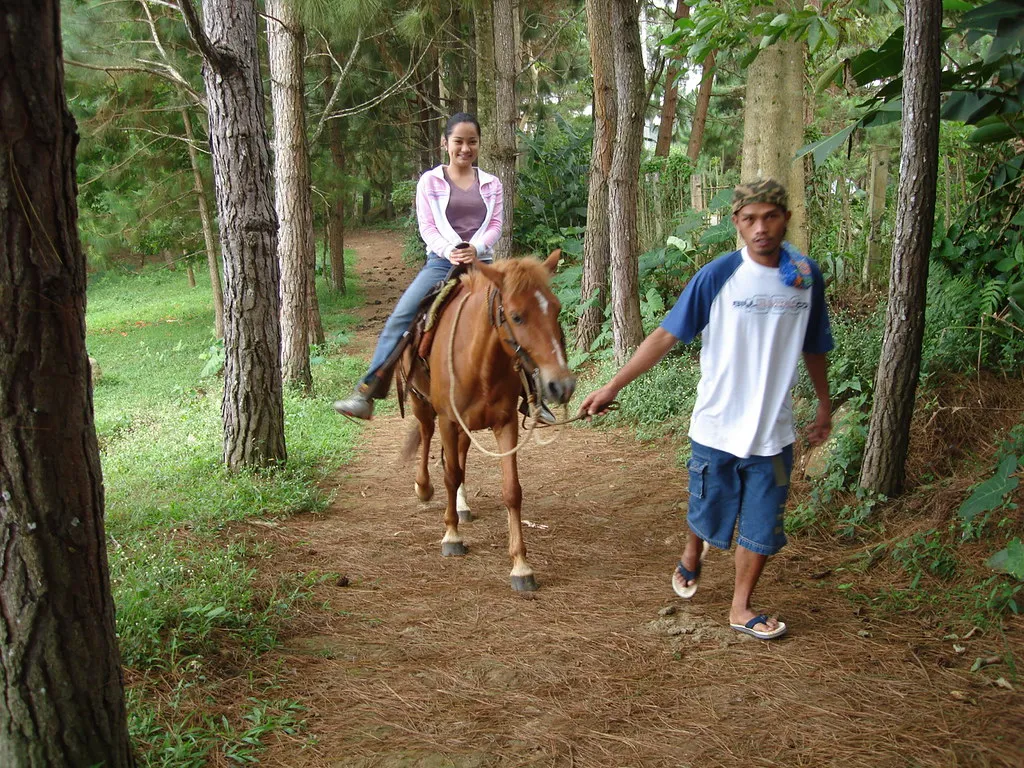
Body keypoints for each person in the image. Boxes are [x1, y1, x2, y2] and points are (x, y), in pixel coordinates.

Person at [578, 179, 833, 640]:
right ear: (736, 223)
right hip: (716, 428)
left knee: (762, 526)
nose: (760, 228)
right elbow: (665, 335)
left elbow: (815, 346)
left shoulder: (804, 277)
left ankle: (740, 607)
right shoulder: (717, 276)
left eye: (770, 217)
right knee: (707, 508)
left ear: (786, 219)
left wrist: (824, 404)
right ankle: (692, 550)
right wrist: (613, 386)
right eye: (750, 219)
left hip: (775, 434)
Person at [333, 113, 554, 422]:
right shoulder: (430, 181)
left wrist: (475, 248)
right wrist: (451, 251)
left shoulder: (492, 184)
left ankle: (535, 395)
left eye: (472, 142)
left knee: (521, 313)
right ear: (445, 143)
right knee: (402, 316)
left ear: (479, 144)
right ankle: (368, 391)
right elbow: (427, 227)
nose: (465, 148)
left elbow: (495, 224)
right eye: (458, 141)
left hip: (483, 264)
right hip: (441, 263)